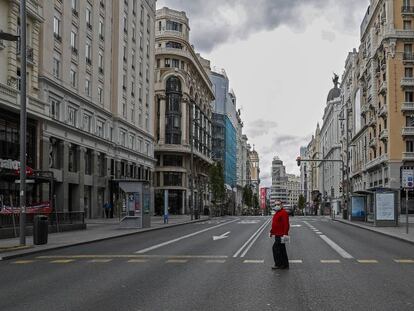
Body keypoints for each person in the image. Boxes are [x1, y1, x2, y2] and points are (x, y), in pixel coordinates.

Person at [269, 201, 290, 270]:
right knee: (282, 250)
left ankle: (278, 264)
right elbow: (275, 224)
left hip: (281, 235)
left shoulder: (283, 213)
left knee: (275, 249)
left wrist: (285, 234)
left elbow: (286, 224)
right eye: (275, 204)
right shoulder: (277, 213)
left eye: (278, 204)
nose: (276, 205)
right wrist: (271, 232)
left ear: (281, 205)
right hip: (277, 234)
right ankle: (285, 264)